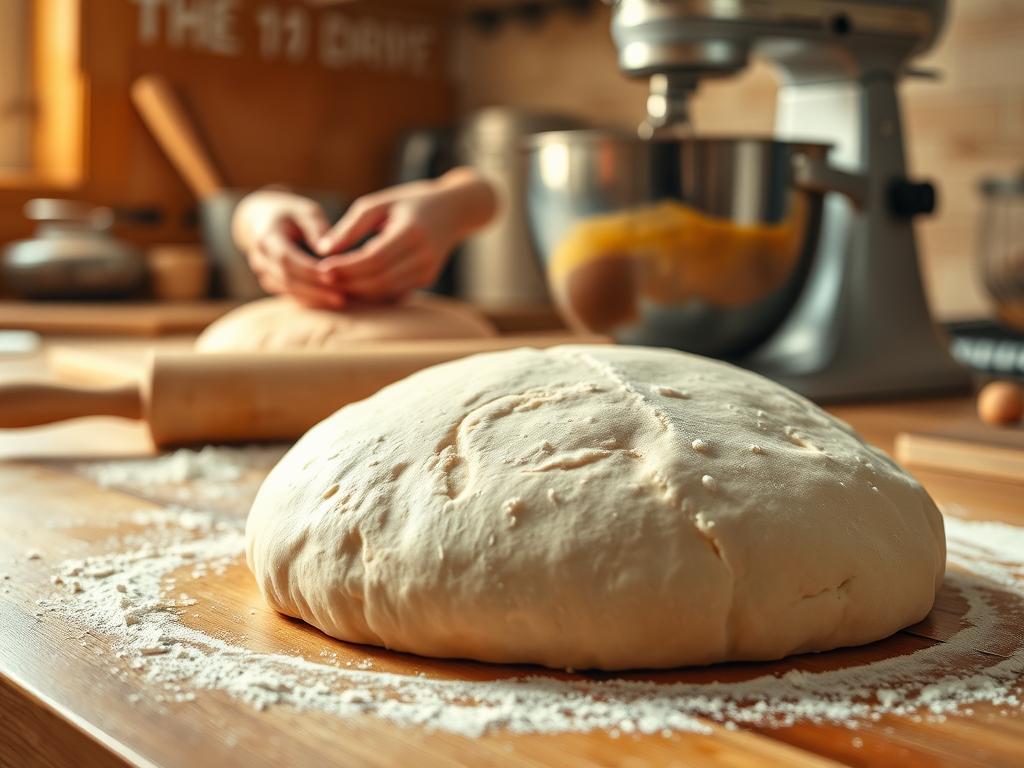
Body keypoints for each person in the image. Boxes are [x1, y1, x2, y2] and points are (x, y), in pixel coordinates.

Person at [232, 167, 498, 309]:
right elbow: (240, 217)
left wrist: (450, 205)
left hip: (419, 312)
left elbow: (487, 193)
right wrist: (253, 214)